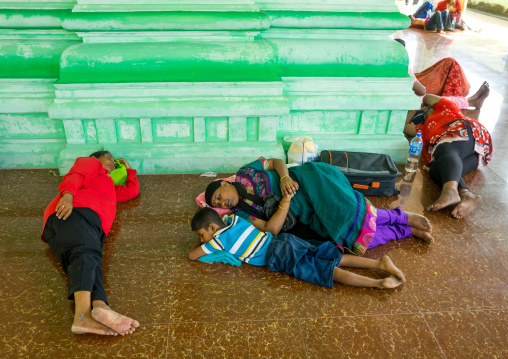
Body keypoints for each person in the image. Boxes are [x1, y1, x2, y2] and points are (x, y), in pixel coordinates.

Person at [203, 158, 434, 257]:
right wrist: (286, 201)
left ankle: (402, 218)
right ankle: (403, 227)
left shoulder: (245, 172)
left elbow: (275, 162)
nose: (223, 203)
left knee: (347, 210)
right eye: (218, 205)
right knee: (347, 233)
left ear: (225, 183)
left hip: (309, 179)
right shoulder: (242, 213)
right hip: (303, 211)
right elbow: (271, 230)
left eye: (220, 197)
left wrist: (284, 178)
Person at [41, 151, 140, 336]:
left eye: (114, 161)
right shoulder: (92, 164)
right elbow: (76, 174)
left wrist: (129, 170)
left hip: (70, 225)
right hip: (75, 211)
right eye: (109, 158)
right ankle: (82, 317)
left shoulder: (107, 184)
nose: (112, 162)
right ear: (96, 158)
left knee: (89, 262)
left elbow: (132, 191)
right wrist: (68, 195)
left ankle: (100, 306)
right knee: (85, 254)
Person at [189, 207, 406, 289]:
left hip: (277, 254)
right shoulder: (234, 219)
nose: (202, 240)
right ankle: (378, 263)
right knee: (332, 256)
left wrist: (202, 243)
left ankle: (377, 283)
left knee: (324, 270)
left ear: (211, 227)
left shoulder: (218, 240)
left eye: (201, 234)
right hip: (285, 240)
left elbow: (192, 255)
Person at [403, 94, 493, 218]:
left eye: (429, 108)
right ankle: (466, 194)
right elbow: (404, 126)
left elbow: (428, 97)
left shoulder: (447, 109)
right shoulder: (423, 129)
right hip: (472, 157)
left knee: (445, 147)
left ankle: (450, 192)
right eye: (424, 111)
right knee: (435, 169)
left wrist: (421, 104)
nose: (426, 111)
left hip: (469, 133)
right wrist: (413, 109)